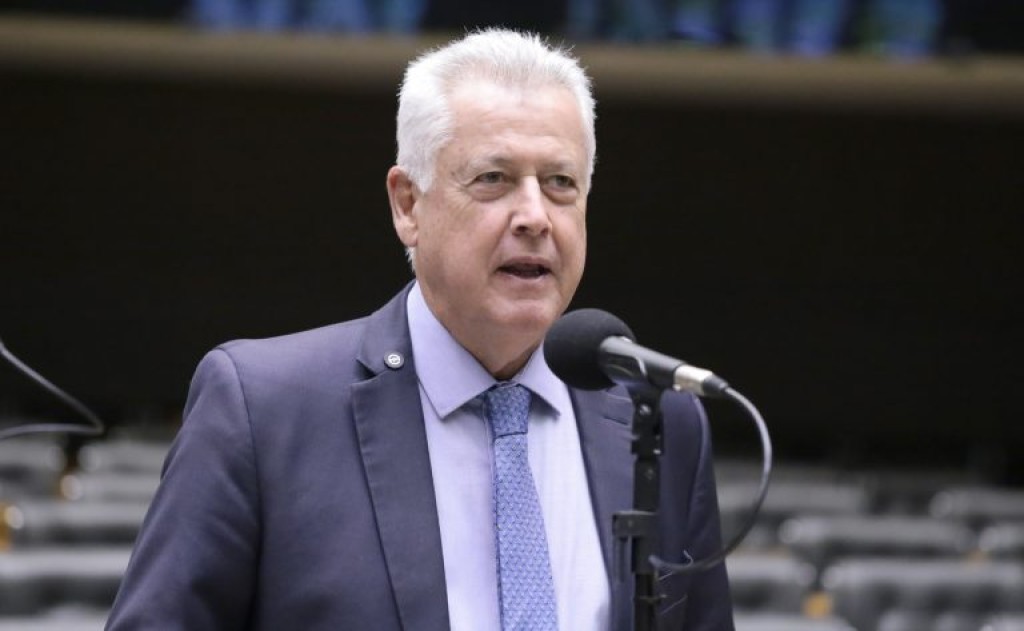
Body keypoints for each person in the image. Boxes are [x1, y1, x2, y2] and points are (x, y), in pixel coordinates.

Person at [105, 28, 734, 631]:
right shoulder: (262, 410)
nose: (535, 216)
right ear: (408, 204)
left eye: (560, 183)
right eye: (493, 179)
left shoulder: (660, 422)